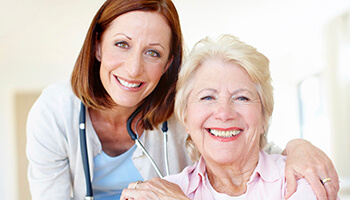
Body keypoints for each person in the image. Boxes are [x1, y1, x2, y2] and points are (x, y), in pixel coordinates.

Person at [26, 0, 338, 199]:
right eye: (122, 44)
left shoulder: (184, 107)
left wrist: (298, 147)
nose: (134, 68)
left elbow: (239, 141)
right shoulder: (54, 112)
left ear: (168, 63)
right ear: (97, 45)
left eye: (153, 53)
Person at [120, 35, 339, 200]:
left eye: (242, 98)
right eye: (207, 97)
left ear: (264, 117)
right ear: (186, 119)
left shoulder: (301, 178)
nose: (224, 113)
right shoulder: (164, 192)